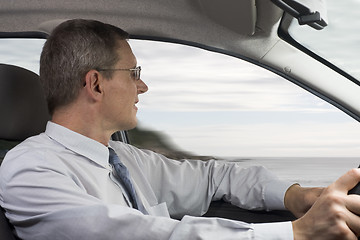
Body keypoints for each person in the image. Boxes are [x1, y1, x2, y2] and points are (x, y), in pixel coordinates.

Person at [0, 19, 359, 240]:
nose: (143, 87)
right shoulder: (30, 169)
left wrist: (294, 197)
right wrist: (295, 233)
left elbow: (214, 176)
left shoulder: (125, 159)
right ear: (95, 84)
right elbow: (132, 234)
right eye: (134, 74)